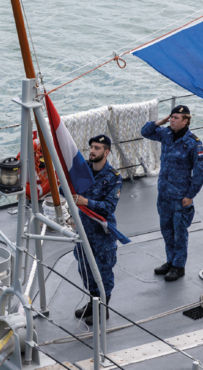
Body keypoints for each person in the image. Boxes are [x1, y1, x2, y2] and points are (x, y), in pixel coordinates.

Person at [141, 105, 203, 281]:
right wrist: (160, 121)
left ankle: (179, 266)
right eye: (171, 117)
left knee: (179, 232)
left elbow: (200, 173)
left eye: (176, 118)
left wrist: (190, 196)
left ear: (185, 121)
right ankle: (170, 261)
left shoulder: (193, 143)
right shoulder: (166, 134)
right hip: (164, 194)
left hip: (180, 196)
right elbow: (145, 132)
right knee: (166, 230)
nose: (172, 120)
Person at [72, 134, 123, 325]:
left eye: (97, 148)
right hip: (83, 229)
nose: (92, 151)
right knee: (85, 269)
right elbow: (65, 189)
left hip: (102, 233)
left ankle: (103, 309)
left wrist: (87, 202)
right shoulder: (82, 169)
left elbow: (109, 206)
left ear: (106, 152)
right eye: (91, 147)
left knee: (103, 270)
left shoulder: (114, 178)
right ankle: (92, 303)